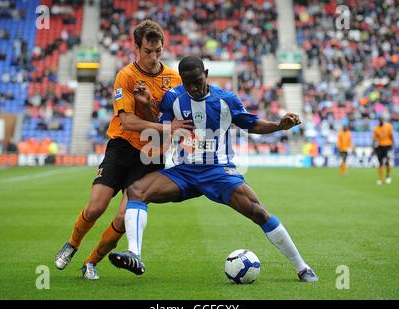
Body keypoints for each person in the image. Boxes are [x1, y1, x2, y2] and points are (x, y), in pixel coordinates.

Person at [108, 56, 318, 282]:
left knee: (258, 211)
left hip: (218, 171)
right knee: (136, 190)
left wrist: (279, 126)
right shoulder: (173, 98)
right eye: (187, 83)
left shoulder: (226, 99)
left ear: (206, 74)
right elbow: (161, 129)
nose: (193, 87)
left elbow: (252, 124)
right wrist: (147, 104)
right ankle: (135, 254)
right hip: (184, 171)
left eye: (197, 81)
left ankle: (302, 266)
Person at [54, 20, 192, 280]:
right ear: (136, 48)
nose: (153, 58)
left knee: (123, 217)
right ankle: (72, 245)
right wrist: (165, 125)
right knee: (96, 207)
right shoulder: (126, 76)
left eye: (158, 51)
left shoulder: (173, 79)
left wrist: (149, 105)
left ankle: (91, 262)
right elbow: (128, 122)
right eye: (148, 51)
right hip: (122, 146)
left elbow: (160, 119)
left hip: (152, 155)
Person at [372, 118, 394, 185]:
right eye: (380, 120)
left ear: (384, 121)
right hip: (380, 147)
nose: (381, 121)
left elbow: (391, 136)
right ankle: (381, 178)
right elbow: (374, 139)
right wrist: (373, 148)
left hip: (388, 146)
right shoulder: (376, 128)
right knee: (380, 163)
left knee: (387, 161)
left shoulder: (388, 126)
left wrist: (393, 144)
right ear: (378, 121)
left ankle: (388, 176)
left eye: (382, 120)